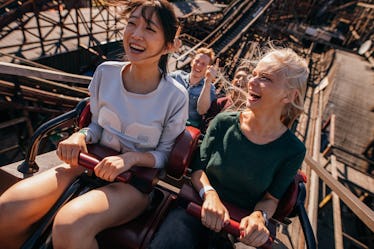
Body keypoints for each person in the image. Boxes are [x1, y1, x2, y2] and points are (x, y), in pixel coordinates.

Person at [0, 1, 188, 249]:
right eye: (132, 23)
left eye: (150, 29)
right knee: (8, 208)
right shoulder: (105, 72)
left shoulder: (175, 96)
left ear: (169, 45)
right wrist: (81, 135)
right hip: (89, 163)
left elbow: (164, 156)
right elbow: (97, 126)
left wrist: (130, 159)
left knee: (70, 225)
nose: (136, 34)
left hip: (133, 183)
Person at [148, 47, 309, 249]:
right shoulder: (224, 122)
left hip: (235, 228)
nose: (251, 81)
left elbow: (271, 198)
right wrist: (210, 195)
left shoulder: (292, 150)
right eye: (255, 74)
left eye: (265, 78)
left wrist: (259, 217)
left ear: (289, 96)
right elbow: (198, 170)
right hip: (196, 208)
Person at [170, 47, 219, 128]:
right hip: (167, 118)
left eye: (203, 64)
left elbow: (202, 110)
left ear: (208, 68)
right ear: (192, 62)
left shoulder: (209, 88)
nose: (199, 65)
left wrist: (208, 82)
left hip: (187, 127)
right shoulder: (177, 76)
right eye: (197, 61)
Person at [201, 65, 251, 132]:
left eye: (245, 78)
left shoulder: (250, 110)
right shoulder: (220, 102)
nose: (240, 80)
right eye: (238, 77)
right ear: (232, 82)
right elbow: (206, 125)